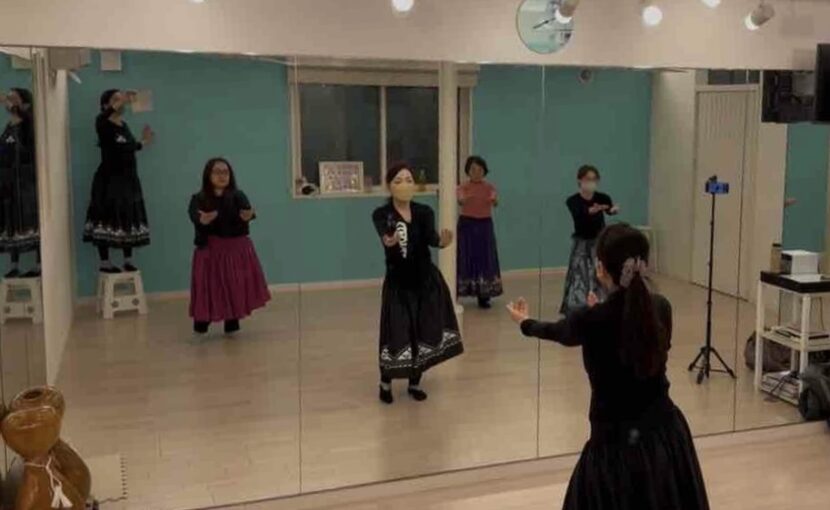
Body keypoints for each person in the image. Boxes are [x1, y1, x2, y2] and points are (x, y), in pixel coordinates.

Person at [507, 224, 710, 510]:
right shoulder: (661, 307)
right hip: (665, 436)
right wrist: (601, 310)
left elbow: (556, 331)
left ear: (601, 269)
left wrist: (524, 322)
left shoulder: (590, 320)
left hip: (615, 449)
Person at [371, 163, 464, 404]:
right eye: (398, 180)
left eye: (409, 179)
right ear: (389, 186)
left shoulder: (424, 211)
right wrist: (390, 241)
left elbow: (431, 238)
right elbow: (386, 237)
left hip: (425, 280)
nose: (404, 184)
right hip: (398, 282)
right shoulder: (382, 214)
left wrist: (442, 242)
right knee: (396, 331)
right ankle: (385, 383)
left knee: (422, 330)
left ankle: (414, 382)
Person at [188, 158, 270, 335]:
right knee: (208, 286)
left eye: (226, 172)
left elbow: (247, 213)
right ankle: (202, 320)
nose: (222, 176)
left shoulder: (238, 195)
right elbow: (194, 216)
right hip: (210, 249)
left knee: (234, 285)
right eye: (217, 172)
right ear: (208, 175)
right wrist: (202, 220)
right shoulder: (199, 198)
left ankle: (232, 321)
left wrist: (249, 216)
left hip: (235, 249)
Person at [83, 89, 154, 273]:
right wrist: (122, 100)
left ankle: (127, 260)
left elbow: (129, 147)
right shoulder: (102, 123)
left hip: (128, 179)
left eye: (121, 98)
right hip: (109, 179)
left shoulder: (124, 125)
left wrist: (144, 142)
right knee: (105, 216)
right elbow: (104, 117)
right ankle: (105, 262)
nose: (121, 102)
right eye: (115, 99)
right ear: (105, 105)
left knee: (127, 215)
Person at [560, 164, 618, 315]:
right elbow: (579, 214)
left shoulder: (602, 197)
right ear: (580, 180)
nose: (591, 182)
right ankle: (577, 304)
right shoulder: (573, 200)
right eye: (588, 179)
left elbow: (609, 209)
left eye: (594, 179)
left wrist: (612, 210)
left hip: (599, 241)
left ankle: (601, 301)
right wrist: (590, 211)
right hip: (581, 241)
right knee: (579, 273)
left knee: (599, 271)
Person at [0, 88, 39, 277]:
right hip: (8, 183)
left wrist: (8, 103)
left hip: (26, 182)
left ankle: (40, 264)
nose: (9, 100)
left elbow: (27, 120)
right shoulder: (9, 125)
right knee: (11, 221)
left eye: (14, 98)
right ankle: (14, 265)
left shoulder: (29, 124)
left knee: (32, 221)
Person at [456, 155, 503, 309]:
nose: (476, 173)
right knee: (465, 257)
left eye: (480, 170)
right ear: (468, 171)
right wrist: (466, 197)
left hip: (484, 226)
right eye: (473, 170)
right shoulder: (462, 187)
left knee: (485, 258)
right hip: (467, 225)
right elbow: (460, 200)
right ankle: (458, 291)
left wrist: (493, 200)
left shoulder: (490, 188)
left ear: (484, 171)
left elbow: (495, 202)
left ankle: (484, 295)